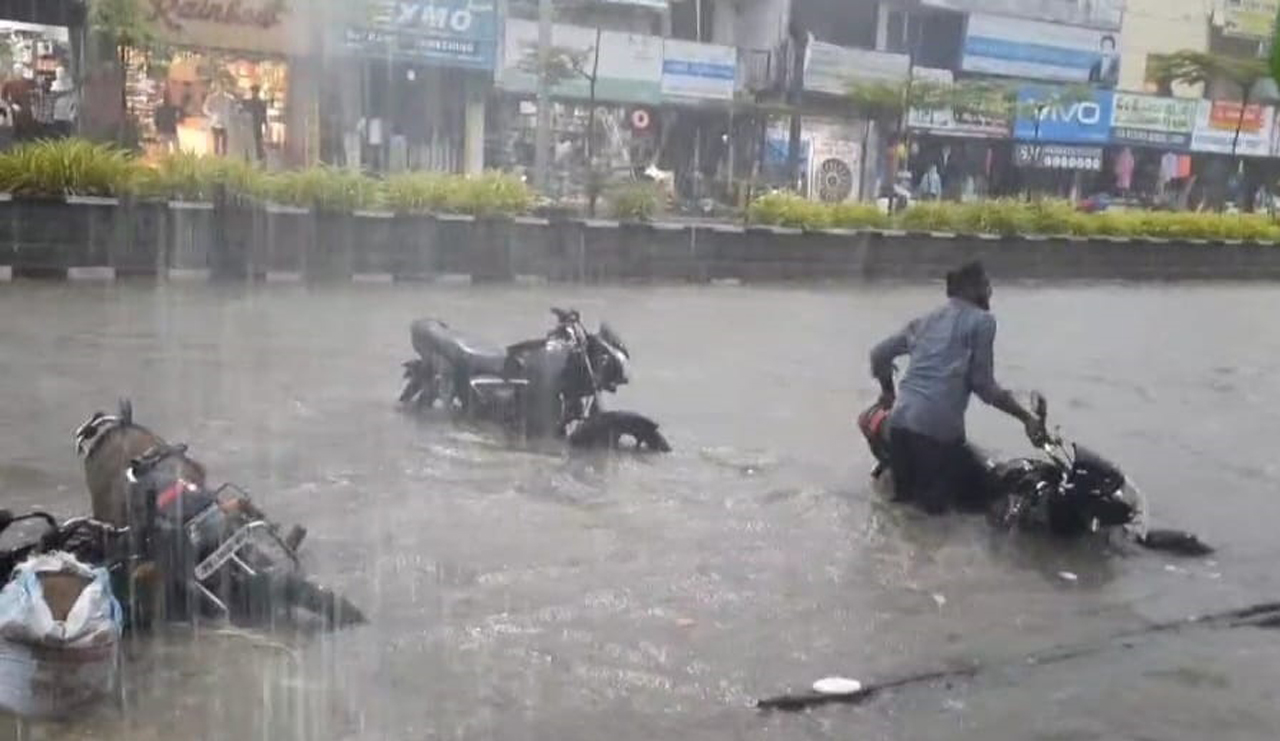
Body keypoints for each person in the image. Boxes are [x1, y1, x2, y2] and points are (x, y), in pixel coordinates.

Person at [869, 261, 1047, 514]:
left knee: (907, 511)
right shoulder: (982, 322)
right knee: (986, 500)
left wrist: (888, 391)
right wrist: (1026, 418)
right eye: (986, 285)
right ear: (970, 288)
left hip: (899, 425)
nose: (990, 292)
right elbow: (983, 386)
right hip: (935, 433)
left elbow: (879, 354)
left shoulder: (925, 321)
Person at [203, 84, 235, 156]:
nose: (221, 88)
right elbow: (205, 108)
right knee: (216, 143)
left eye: (223, 86)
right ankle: (216, 158)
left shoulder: (229, 98)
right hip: (215, 123)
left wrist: (230, 115)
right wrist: (211, 114)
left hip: (225, 123)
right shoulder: (212, 98)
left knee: (224, 143)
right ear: (217, 87)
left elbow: (234, 108)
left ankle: (223, 158)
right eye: (220, 86)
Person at [243, 85, 268, 162]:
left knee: (258, 142)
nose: (254, 93)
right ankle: (248, 157)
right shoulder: (247, 102)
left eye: (255, 92)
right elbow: (244, 113)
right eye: (253, 91)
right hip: (250, 125)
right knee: (249, 142)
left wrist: (265, 124)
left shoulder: (261, 103)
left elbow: (264, 114)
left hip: (257, 125)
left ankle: (260, 156)